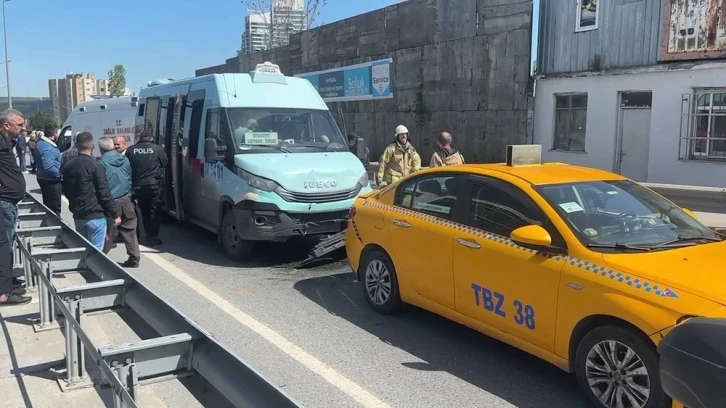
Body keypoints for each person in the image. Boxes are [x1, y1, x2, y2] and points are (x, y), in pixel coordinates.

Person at [61, 132, 121, 250]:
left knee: (83, 248)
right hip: (96, 214)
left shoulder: (68, 166)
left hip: (78, 214)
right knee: (97, 252)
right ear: (93, 145)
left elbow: (66, 190)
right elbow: (104, 192)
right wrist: (115, 214)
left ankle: (85, 267)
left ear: (76, 145)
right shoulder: (96, 165)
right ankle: (92, 268)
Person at [0, 109, 30, 305]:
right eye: (19, 125)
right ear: (6, 125)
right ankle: (3, 293)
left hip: (8, 201)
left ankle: (6, 283)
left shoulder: (6, 141)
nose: (23, 128)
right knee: (3, 245)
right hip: (3, 202)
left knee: (7, 244)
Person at [98, 137, 140, 267]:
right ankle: (134, 258)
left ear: (101, 149)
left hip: (112, 201)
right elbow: (129, 177)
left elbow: (102, 185)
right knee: (130, 230)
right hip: (126, 199)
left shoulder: (101, 163)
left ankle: (100, 260)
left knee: (109, 232)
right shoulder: (125, 160)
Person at [125, 131, 168, 246]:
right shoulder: (157, 148)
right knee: (154, 210)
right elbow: (165, 163)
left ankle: (142, 233)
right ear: (151, 139)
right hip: (154, 185)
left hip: (138, 185)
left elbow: (127, 166)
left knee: (143, 210)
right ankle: (152, 236)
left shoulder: (131, 150)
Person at [36, 124, 63, 215]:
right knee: (54, 209)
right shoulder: (47, 147)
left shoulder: (41, 143)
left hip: (44, 177)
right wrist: (60, 175)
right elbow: (48, 167)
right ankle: (53, 227)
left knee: (49, 207)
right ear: (55, 133)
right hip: (51, 180)